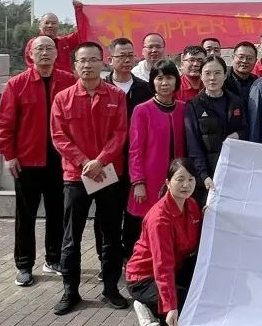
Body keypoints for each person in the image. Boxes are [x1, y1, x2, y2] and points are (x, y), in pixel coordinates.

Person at [50, 42, 129, 315]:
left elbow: (120, 133)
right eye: (82, 60)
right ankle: (70, 291)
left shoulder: (116, 96)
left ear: (103, 62)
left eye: (93, 59)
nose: (88, 65)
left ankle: (110, 289)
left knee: (111, 235)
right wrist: (85, 162)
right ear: (75, 65)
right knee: (71, 237)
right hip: (76, 175)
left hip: (107, 173)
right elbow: (58, 136)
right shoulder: (63, 98)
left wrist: (101, 161)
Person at [0, 36, 75, 287]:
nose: (44, 52)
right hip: (27, 160)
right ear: (30, 54)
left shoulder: (69, 81)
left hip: (60, 159)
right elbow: (5, 123)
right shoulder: (17, 84)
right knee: (25, 216)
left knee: (57, 212)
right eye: (39, 48)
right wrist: (9, 155)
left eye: (49, 48)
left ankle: (53, 259)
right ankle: (24, 264)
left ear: (57, 54)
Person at [126, 158, 202, 326]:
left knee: (203, 291)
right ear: (168, 182)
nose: (186, 185)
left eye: (190, 179)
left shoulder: (192, 205)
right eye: (180, 179)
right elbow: (162, 264)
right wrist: (170, 306)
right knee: (182, 310)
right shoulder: (159, 219)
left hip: (176, 266)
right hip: (144, 277)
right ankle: (145, 304)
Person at [101, 37, 152, 266]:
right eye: (121, 56)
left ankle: (132, 258)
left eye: (130, 55)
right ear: (110, 59)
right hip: (108, 162)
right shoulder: (101, 87)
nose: (127, 60)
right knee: (107, 213)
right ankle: (107, 260)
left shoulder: (144, 88)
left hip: (136, 162)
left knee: (134, 212)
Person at [128, 58, 187, 252]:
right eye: (159, 78)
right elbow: (135, 149)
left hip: (178, 178)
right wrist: (138, 182)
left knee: (173, 223)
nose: (164, 83)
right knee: (148, 226)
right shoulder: (142, 110)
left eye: (169, 78)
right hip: (150, 179)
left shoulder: (184, 108)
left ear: (176, 80)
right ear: (152, 81)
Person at [186, 56, 248, 199]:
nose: (212, 78)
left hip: (234, 170)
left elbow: (246, 130)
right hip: (208, 174)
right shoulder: (194, 105)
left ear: (225, 75)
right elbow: (193, 145)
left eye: (217, 73)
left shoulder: (236, 102)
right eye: (207, 73)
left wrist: (238, 135)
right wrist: (203, 175)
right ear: (201, 76)